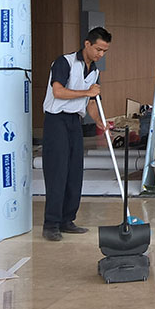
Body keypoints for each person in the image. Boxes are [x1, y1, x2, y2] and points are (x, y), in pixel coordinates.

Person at [40, 27, 111, 242]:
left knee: (74, 172)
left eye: (104, 51)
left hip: (74, 122)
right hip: (56, 120)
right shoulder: (65, 62)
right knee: (57, 171)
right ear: (87, 44)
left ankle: (67, 219)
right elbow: (58, 91)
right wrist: (87, 92)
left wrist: (98, 120)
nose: (100, 54)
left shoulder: (95, 71)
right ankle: (51, 224)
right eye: (98, 49)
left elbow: (91, 103)